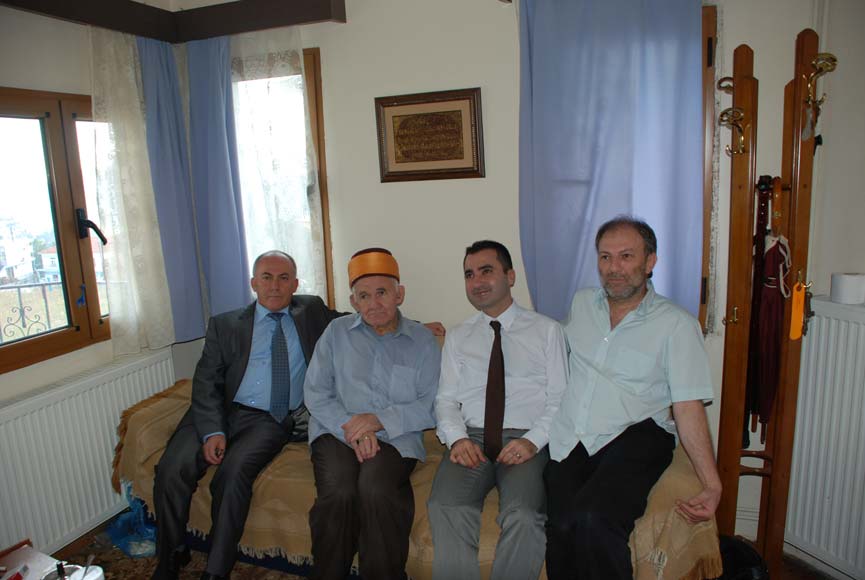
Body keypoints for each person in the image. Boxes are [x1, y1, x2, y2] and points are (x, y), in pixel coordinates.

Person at [545, 216, 722, 579]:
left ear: (650, 261)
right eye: (605, 257)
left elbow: (688, 406)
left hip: (638, 435)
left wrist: (712, 482)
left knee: (593, 519)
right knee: (560, 527)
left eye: (626, 256)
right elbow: (544, 347)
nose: (614, 268)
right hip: (571, 436)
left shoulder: (676, 324)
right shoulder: (582, 304)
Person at [151, 250, 343, 580]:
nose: (275, 286)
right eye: (266, 277)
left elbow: (362, 316)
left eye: (284, 278)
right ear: (254, 283)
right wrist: (212, 431)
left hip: (269, 420)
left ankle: (216, 570)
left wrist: (411, 325)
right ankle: (170, 557)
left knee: (232, 475)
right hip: (220, 409)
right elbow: (206, 382)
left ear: (295, 284)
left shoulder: (311, 311)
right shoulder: (225, 324)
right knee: (172, 469)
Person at [428, 240, 567, 580]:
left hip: (525, 439)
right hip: (472, 438)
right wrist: (457, 439)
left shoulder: (547, 331)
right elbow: (446, 400)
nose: (476, 281)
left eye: (486, 271)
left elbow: (562, 399)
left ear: (510, 276)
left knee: (523, 516)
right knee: (445, 505)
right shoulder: (459, 336)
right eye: (469, 274)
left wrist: (533, 441)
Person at [303, 248, 441, 580]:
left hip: (396, 437)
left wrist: (379, 421)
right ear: (354, 301)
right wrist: (354, 427)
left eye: (382, 293)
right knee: (339, 491)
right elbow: (316, 392)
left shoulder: (423, 341)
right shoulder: (335, 333)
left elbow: (431, 404)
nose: (374, 303)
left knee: (376, 488)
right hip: (336, 430)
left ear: (399, 294)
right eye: (364, 296)